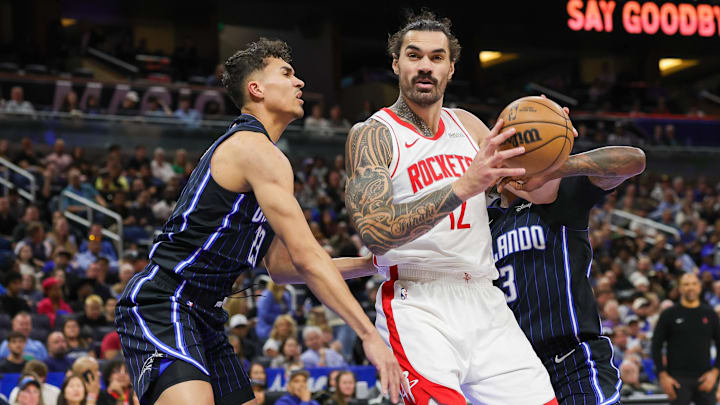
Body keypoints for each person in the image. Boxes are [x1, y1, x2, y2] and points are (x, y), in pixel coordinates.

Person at [115, 38, 402, 405]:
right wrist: (368, 334)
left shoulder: (263, 158)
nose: (299, 82)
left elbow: (282, 268)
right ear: (256, 89)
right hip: (164, 300)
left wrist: (373, 264)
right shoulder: (255, 151)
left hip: (205, 314)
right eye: (287, 73)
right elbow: (308, 257)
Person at [343, 11, 554, 405]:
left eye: (437, 57)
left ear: (451, 68)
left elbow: (535, 191)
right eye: (414, 55)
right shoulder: (373, 134)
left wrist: (553, 150)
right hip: (418, 301)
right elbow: (375, 232)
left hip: (486, 299)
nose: (425, 66)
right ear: (396, 63)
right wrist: (462, 187)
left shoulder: (468, 126)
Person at [489, 143, 645, 405]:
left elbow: (633, 160)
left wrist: (552, 169)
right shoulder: (484, 224)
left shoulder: (558, 200)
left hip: (571, 357)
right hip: (514, 370)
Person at [651, 273, 720, 405]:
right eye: (686, 284)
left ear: (699, 287)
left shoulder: (710, 314)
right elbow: (656, 346)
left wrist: (715, 372)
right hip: (677, 380)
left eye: (694, 284)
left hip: (705, 378)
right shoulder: (669, 314)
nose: (690, 288)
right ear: (680, 288)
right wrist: (662, 375)